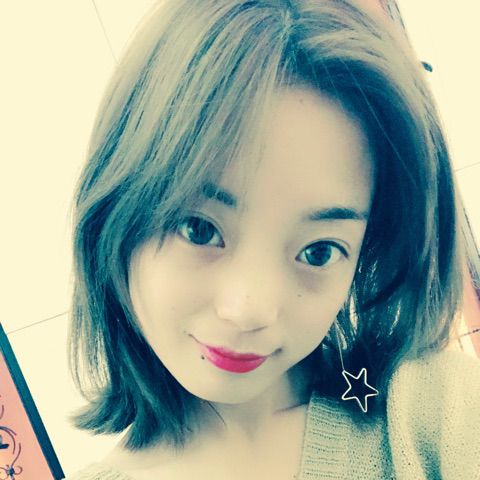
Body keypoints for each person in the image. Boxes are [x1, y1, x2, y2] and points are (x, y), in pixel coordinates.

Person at [66, 0, 480, 478]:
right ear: (115, 214)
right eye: (200, 229)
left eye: (318, 251)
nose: (249, 310)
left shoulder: (434, 416)